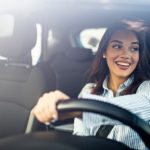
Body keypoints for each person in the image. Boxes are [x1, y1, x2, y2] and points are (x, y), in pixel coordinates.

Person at [31, 19, 150, 150]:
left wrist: (76, 110)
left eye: (134, 48)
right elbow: (81, 139)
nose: (126, 55)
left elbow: (145, 105)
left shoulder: (146, 89)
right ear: (104, 52)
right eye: (117, 46)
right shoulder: (89, 91)